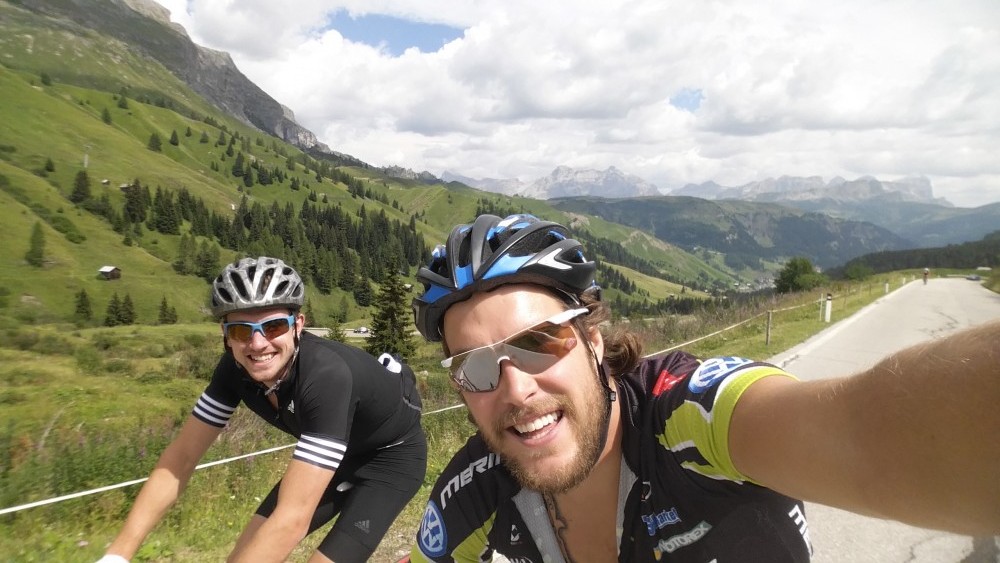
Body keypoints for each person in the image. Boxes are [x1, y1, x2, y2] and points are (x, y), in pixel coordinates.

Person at [407, 213, 1000, 562]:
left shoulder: (691, 416)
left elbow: (867, 436)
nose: (513, 388)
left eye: (537, 341)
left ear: (591, 338)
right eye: (475, 367)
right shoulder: (471, 494)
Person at [99, 256, 427, 563]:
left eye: (272, 327)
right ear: (226, 337)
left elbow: (292, 520)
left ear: (298, 325)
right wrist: (117, 555)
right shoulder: (232, 370)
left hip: (390, 461)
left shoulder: (325, 377)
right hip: (338, 457)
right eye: (241, 331)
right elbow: (180, 458)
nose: (257, 345)